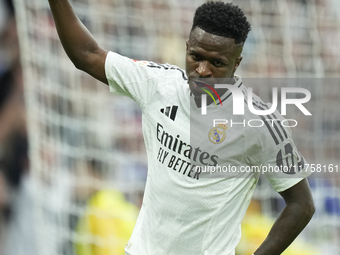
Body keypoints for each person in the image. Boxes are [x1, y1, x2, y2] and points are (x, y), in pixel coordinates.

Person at [48, 1, 315, 254]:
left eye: (217, 63)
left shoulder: (260, 124)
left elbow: (302, 205)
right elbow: (87, 55)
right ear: (187, 47)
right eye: (195, 56)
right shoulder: (158, 85)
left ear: (236, 63)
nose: (202, 70)